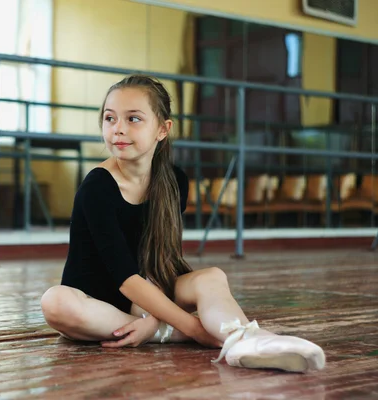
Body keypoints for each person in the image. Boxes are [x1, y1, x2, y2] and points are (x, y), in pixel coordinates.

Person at [40, 74, 325, 373]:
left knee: (212, 277)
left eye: (133, 119)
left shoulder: (174, 181)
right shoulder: (96, 187)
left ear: (163, 129)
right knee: (55, 301)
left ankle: (247, 340)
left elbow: (159, 261)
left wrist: (151, 317)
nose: (118, 129)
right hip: (96, 307)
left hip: (147, 297)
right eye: (109, 118)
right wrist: (194, 329)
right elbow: (125, 278)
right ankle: (175, 333)